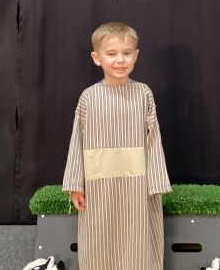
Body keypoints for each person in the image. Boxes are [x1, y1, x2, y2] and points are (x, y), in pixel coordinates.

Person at [62, 22, 171, 270]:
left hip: (137, 183)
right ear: (96, 58)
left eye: (126, 53)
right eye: (111, 53)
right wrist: (76, 185)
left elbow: (153, 138)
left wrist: (155, 181)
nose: (120, 60)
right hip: (98, 183)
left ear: (136, 56)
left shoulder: (143, 93)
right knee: (99, 234)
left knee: (137, 235)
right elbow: (77, 140)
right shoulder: (88, 97)